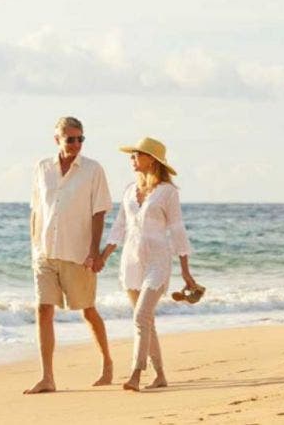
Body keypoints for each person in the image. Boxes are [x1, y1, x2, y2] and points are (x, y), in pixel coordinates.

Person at [97, 136, 200, 392]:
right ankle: (161, 375)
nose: (132, 159)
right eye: (132, 155)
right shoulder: (129, 190)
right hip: (131, 261)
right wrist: (104, 255)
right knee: (146, 321)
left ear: (152, 160)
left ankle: (135, 373)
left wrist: (186, 272)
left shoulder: (167, 192)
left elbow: (177, 230)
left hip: (157, 261)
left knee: (141, 316)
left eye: (137, 155)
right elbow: (120, 225)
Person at [24, 116, 113, 394]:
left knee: (87, 310)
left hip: (78, 253)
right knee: (43, 309)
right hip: (45, 253)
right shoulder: (42, 168)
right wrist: (35, 247)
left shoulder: (93, 170)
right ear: (57, 140)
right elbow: (36, 210)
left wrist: (94, 252)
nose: (76, 144)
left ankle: (107, 363)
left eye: (80, 139)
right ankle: (47, 377)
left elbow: (99, 211)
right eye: (70, 139)